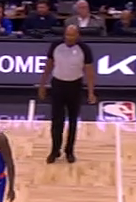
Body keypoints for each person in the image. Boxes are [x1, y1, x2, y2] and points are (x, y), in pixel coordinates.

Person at [37, 26, 96, 164]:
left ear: (78, 35)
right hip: (58, 85)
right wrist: (42, 85)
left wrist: (91, 92)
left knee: (73, 121)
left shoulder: (84, 49)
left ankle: (69, 151)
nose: (69, 38)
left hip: (75, 86)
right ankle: (54, 150)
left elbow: (89, 72)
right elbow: (48, 66)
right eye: (67, 35)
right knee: (57, 120)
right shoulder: (56, 46)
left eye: (72, 35)